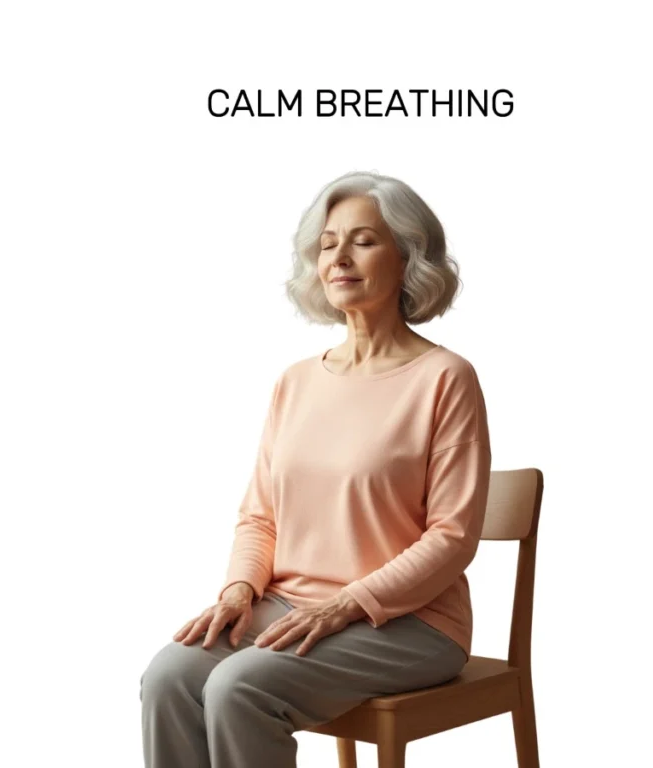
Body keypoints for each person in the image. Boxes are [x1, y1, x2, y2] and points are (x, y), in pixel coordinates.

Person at [139, 170, 492, 768]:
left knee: (240, 685)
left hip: (410, 623)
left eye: (364, 240)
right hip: (288, 605)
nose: (339, 257)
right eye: (328, 244)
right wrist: (238, 590)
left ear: (409, 256)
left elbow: (453, 537)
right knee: (170, 677)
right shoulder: (296, 381)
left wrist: (346, 605)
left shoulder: (444, 378)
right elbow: (259, 516)